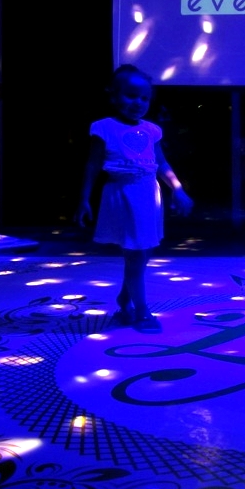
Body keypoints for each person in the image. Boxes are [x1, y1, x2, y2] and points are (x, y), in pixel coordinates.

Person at [75, 64, 193, 333]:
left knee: (144, 252)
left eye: (144, 98)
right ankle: (141, 311)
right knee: (136, 254)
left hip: (148, 195)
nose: (138, 103)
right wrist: (84, 199)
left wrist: (177, 189)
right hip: (123, 195)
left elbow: (161, 163)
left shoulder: (152, 130)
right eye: (130, 95)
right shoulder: (103, 128)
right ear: (113, 95)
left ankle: (124, 299)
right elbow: (92, 165)